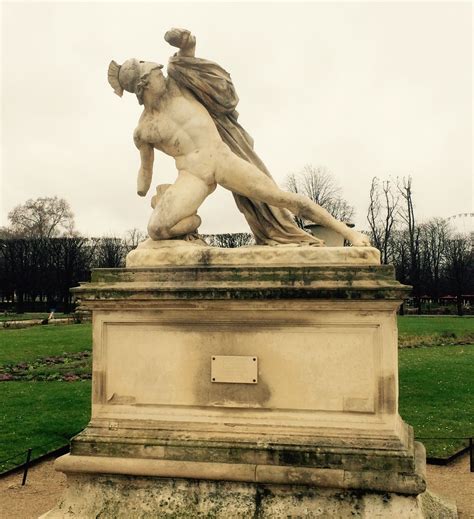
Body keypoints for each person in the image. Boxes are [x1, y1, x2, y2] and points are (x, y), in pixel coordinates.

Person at [108, 28, 370, 247]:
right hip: (192, 176)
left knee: (280, 198)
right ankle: (192, 222)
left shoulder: (178, 84)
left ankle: (349, 234)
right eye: (155, 73)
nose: (161, 74)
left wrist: (188, 46)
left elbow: (191, 65)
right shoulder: (144, 130)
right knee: (157, 228)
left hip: (221, 159)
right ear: (143, 86)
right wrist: (142, 188)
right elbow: (145, 170)